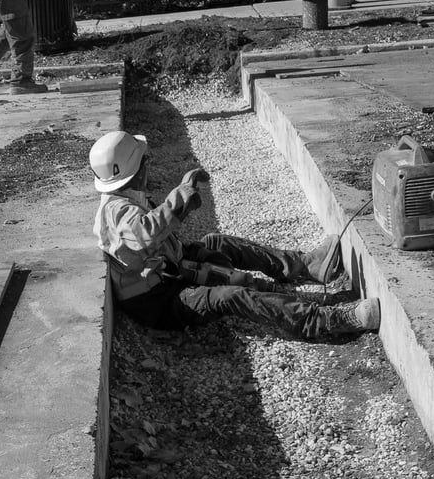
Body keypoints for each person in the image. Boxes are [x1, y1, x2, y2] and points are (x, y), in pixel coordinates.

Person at [89, 130, 381, 340]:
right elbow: (145, 234)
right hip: (161, 302)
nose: (149, 164)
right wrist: (181, 197)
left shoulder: (126, 198)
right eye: (145, 161)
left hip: (169, 271)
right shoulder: (116, 213)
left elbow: (154, 238)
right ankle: (325, 320)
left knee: (217, 243)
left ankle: (304, 266)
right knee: (230, 296)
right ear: (136, 171)